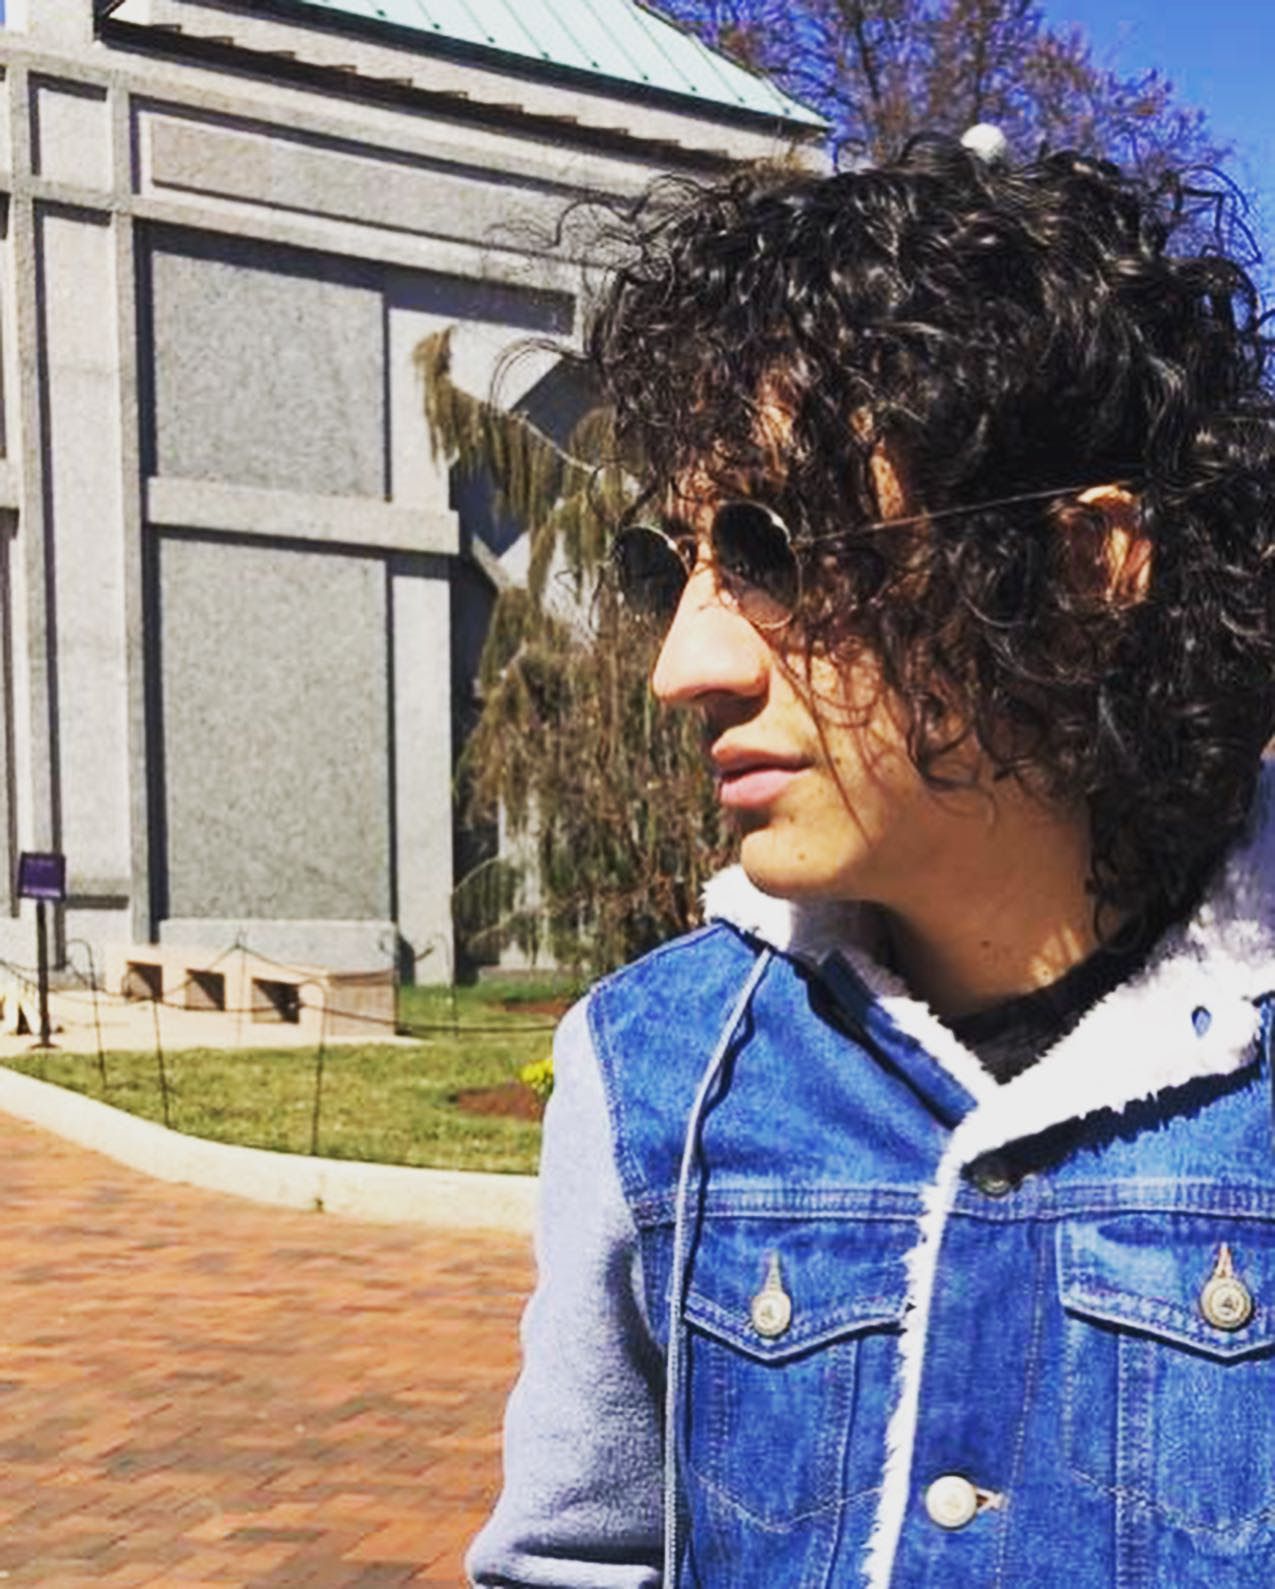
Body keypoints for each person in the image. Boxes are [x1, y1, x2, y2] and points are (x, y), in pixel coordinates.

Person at [466, 134, 1275, 1587]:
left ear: (1085, 569)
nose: (684, 665)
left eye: (774, 549)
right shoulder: (656, 1075)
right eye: (675, 565)